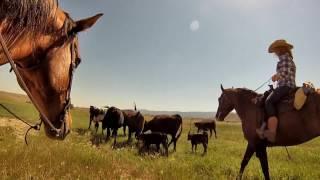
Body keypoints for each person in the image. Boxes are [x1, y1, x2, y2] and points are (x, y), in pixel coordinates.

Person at [256, 39, 296, 142]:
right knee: (266, 98)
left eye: (276, 50)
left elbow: (285, 73)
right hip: (285, 85)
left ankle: (272, 132)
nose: (275, 53)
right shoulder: (286, 59)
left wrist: (277, 76)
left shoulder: (285, 58)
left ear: (280, 49)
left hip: (286, 86)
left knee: (269, 101)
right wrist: (277, 76)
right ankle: (265, 127)